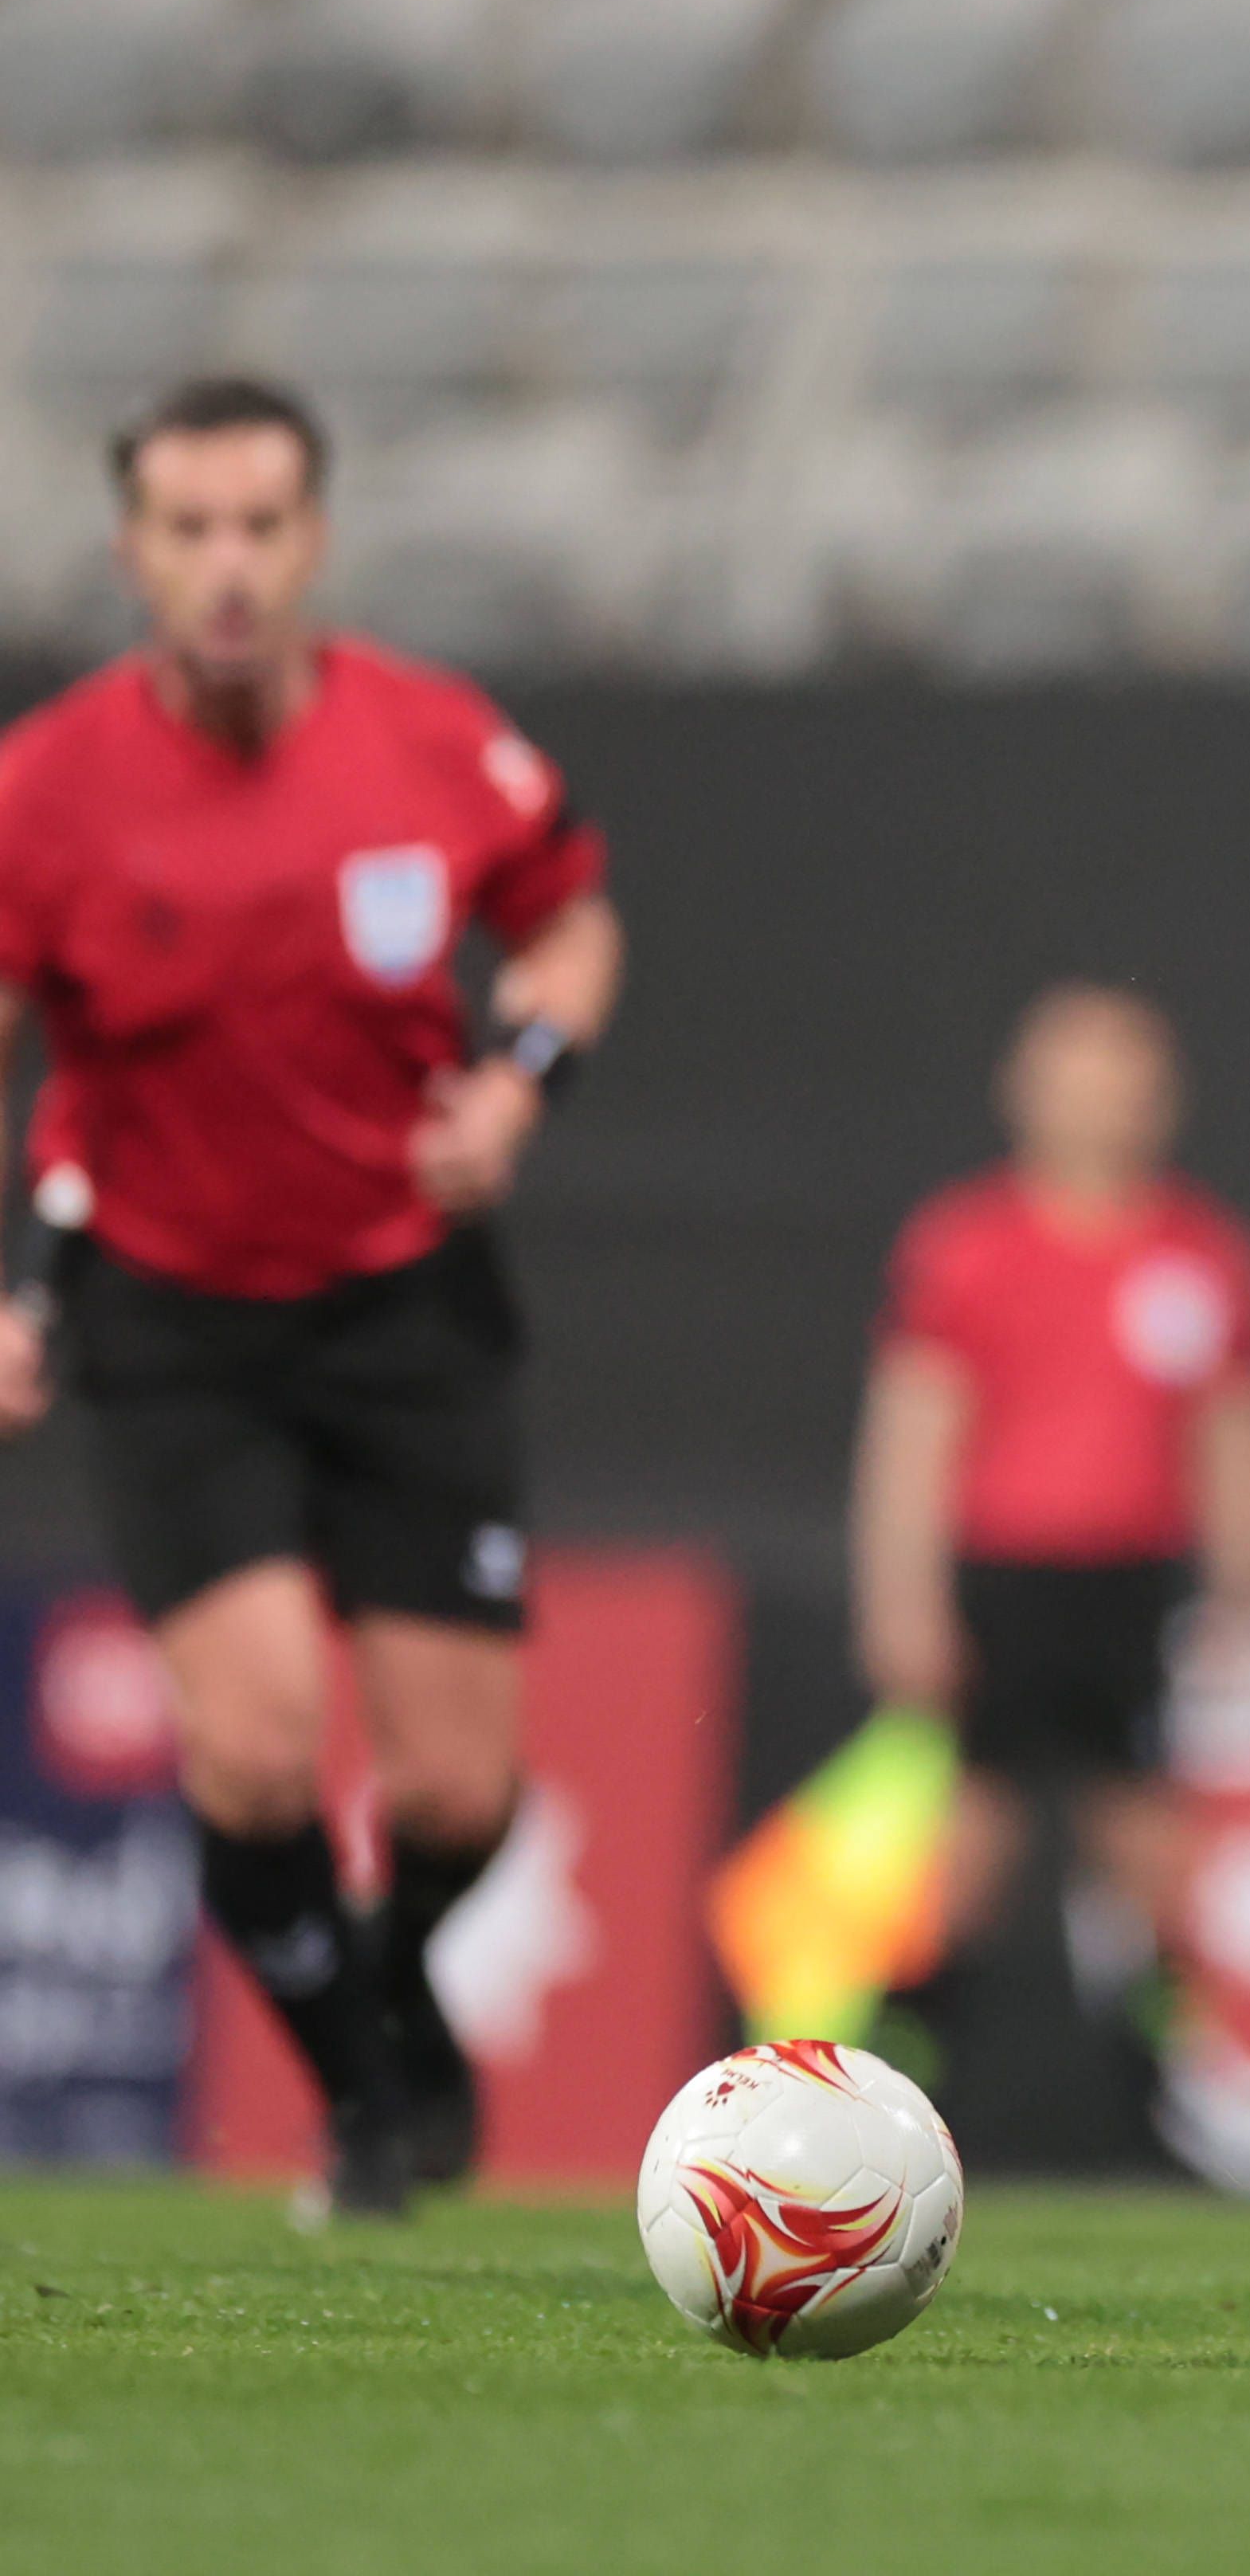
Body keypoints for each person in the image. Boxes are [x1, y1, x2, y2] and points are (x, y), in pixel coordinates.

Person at [0, 376, 623, 2214]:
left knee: (458, 1797)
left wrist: (518, 1081)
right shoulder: (47, 788)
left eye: (261, 526)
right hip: (173, 1320)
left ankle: (389, 1985)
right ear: (133, 550)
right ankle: (366, 2099)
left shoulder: (431, 741)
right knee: (261, 1748)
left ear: (314, 540)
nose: (228, 566)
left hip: (406, 1306)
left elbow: (570, 920)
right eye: (189, 528)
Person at [852, 985, 1250, 2084]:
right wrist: (901, 1596)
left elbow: (1240, 1435)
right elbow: (912, 1432)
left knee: (1144, 1828)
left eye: (1124, 1081)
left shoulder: (1204, 1256)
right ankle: (907, 2051)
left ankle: (1168, 2064)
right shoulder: (968, 1246)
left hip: (1132, 1580)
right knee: (972, 1828)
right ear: (1025, 1093)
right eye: (1077, 1079)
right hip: (1003, 1575)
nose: (1101, 1104)